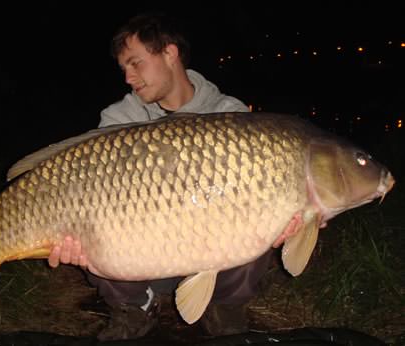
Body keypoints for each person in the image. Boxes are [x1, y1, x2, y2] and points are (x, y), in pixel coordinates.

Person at [48, 12, 279, 341]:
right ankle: (134, 306)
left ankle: (223, 306)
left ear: (169, 53)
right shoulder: (120, 119)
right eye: (124, 68)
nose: (128, 77)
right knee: (96, 212)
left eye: (135, 63)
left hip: (215, 265)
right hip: (141, 264)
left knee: (260, 212)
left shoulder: (230, 115)